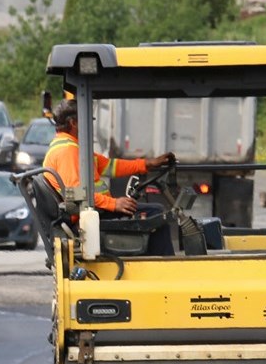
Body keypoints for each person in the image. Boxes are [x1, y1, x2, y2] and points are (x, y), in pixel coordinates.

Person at [43, 99, 176, 253]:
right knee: (157, 213)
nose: (91, 125)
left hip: (95, 212)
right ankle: (164, 268)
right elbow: (76, 194)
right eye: (88, 120)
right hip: (89, 218)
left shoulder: (71, 147)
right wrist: (114, 204)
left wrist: (147, 164)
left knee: (152, 212)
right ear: (73, 123)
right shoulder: (68, 151)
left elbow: (110, 166)